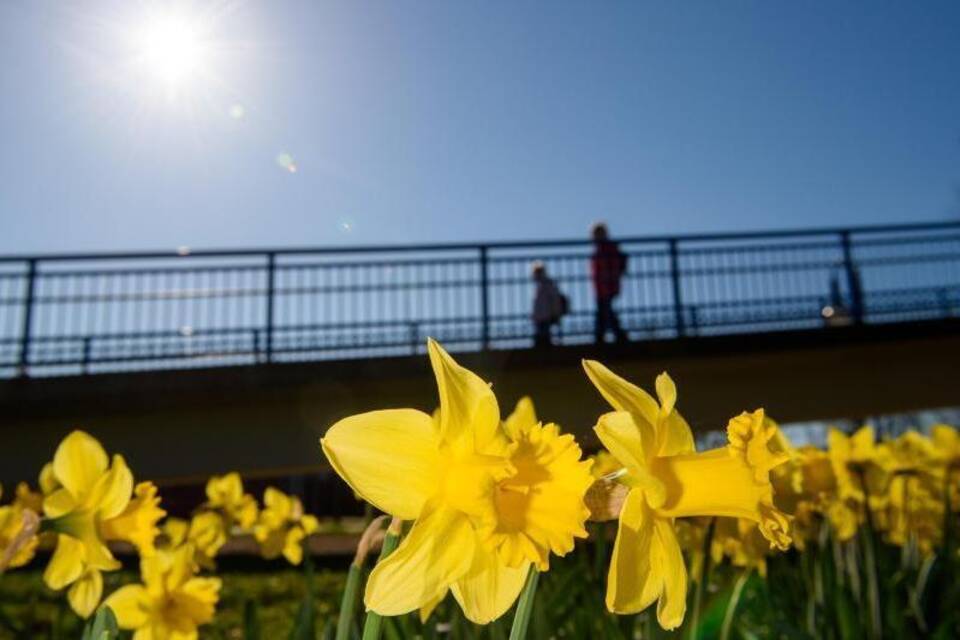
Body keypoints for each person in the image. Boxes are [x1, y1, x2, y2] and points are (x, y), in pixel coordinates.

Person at [590, 222, 628, 344]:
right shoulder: (603, 248)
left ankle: (603, 336)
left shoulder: (607, 248)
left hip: (607, 284)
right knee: (605, 310)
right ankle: (614, 334)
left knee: (604, 311)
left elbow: (612, 265)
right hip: (603, 285)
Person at [530, 261, 565, 348]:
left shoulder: (546, 283)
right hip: (542, 316)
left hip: (545, 316)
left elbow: (553, 299)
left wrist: (556, 312)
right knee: (542, 337)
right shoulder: (541, 284)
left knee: (542, 338)